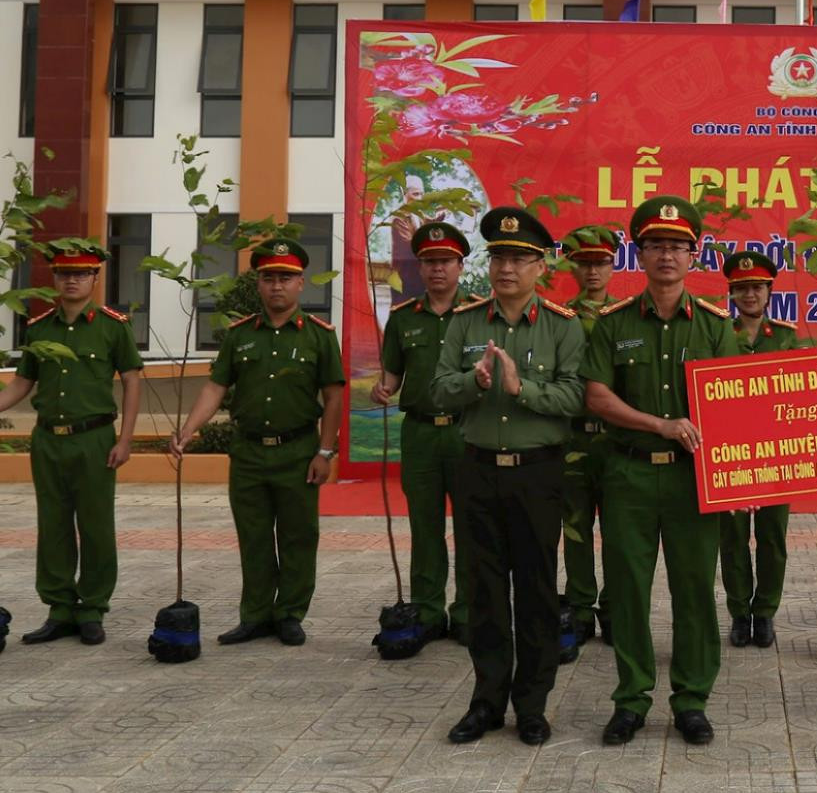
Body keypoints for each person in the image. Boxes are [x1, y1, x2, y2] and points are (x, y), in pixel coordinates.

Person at [583, 196, 739, 747]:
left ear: (693, 255)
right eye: (656, 245)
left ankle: (692, 700)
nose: (666, 255)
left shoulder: (718, 328)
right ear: (640, 254)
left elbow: (735, 403)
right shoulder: (613, 324)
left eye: (677, 246)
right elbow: (598, 397)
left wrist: (747, 473)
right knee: (627, 590)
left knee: (694, 590)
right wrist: (662, 424)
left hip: (694, 480)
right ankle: (631, 700)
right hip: (628, 476)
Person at [433, 207, 586, 746]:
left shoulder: (564, 327)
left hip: (537, 474)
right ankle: (486, 702)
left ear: (540, 267)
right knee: (485, 591)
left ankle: (533, 705)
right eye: (499, 256)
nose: (507, 268)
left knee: (537, 591)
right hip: (477, 470)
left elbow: (574, 397)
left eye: (520, 258)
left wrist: (524, 391)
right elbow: (437, 390)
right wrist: (474, 383)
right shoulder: (466, 321)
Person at [170, 239, 345, 647]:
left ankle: (290, 613)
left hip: (298, 451)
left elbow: (334, 396)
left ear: (302, 283)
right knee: (253, 537)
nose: (276, 286)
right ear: (259, 284)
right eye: (268, 278)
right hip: (248, 452)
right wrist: (189, 428)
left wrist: (325, 451)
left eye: (285, 277)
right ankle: (255, 615)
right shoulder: (239, 336)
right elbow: (216, 388)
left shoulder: (319, 337)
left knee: (299, 536)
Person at [0, 240, 142, 646]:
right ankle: (60, 608)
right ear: (55, 279)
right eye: (64, 274)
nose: (72, 281)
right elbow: (23, 384)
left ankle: (93, 608)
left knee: (96, 526)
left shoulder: (113, 326)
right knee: (54, 525)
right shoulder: (40, 328)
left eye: (81, 274)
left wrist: (126, 438)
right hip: (48, 440)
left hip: (95, 438)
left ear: (96, 279)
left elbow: (131, 381)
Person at [370, 221, 483, 648]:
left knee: (471, 525)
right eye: (430, 262)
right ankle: (428, 609)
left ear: (460, 265)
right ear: (419, 267)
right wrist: (382, 388)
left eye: (446, 261)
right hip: (419, 434)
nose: (438, 269)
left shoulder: (478, 314)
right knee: (425, 525)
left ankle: (469, 611)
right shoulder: (403, 320)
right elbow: (392, 376)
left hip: (467, 432)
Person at [718, 250, 800, 650]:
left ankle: (765, 612)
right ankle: (739, 613)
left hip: (776, 454)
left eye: (757, 287)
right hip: (730, 454)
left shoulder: (786, 336)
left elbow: (807, 392)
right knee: (732, 536)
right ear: (732, 293)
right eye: (742, 288)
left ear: (769, 291)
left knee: (772, 537)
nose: (750, 295)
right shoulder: (717, 334)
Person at [561, 223, 620, 646]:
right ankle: (580, 607)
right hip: (574, 440)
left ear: (613, 265)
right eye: (584, 263)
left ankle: (616, 609)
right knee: (575, 529)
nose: (593, 271)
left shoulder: (626, 317)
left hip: (617, 441)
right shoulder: (559, 319)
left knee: (620, 531)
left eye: (600, 262)